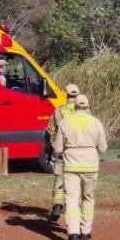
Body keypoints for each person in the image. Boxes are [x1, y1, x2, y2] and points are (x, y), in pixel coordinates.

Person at [53, 95, 107, 240]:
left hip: (71, 166)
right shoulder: (96, 122)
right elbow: (103, 148)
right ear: (88, 106)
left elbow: (57, 148)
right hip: (90, 166)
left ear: (74, 106)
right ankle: (85, 231)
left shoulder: (65, 122)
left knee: (71, 199)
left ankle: (73, 232)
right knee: (88, 198)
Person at [46, 83, 80, 222]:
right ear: (77, 95)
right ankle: (74, 209)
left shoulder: (58, 111)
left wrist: (53, 146)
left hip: (62, 151)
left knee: (59, 177)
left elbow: (50, 131)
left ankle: (57, 205)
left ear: (66, 95)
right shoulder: (85, 112)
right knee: (77, 181)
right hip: (79, 153)